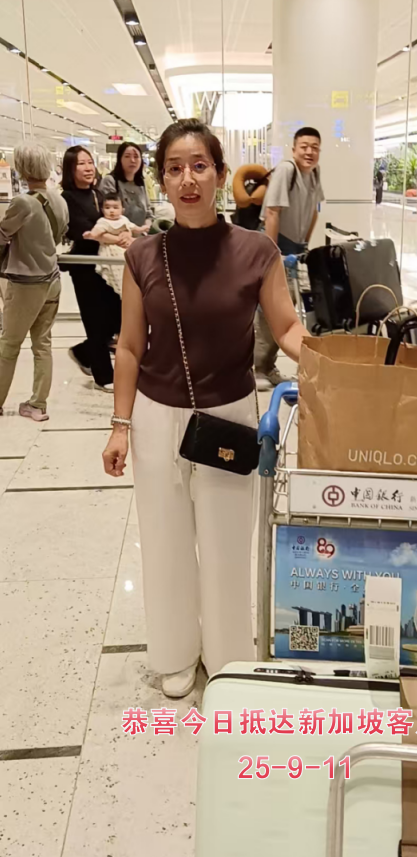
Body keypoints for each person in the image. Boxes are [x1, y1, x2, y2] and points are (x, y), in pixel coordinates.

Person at [102, 119, 307, 698]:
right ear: (161, 180)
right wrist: (120, 426)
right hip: (155, 415)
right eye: (174, 169)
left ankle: (227, 656)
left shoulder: (256, 250)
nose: (187, 179)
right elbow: (130, 347)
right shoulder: (143, 255)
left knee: (226, 543)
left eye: (199, 166)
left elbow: (286, 327)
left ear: (220, 174)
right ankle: (174, 653)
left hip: (230, 415)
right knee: (164, 539)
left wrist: (330, 361)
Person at [0, 141, 68, 421]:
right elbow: (61, 233)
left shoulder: (22, 202)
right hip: (52, 279)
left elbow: (3, 233)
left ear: (22, 168)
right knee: (43, 345)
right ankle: (38, 404)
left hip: (26, 283)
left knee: (9, 346)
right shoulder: (59, 200)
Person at [255, 126, 324, 388]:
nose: (309, 152)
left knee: (285, 309)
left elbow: (315, 209)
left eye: (314, 147)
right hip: (276, 245)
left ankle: (268, 365)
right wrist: (273, 254)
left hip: (295, 249)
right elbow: (272, 212)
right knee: (269, 309)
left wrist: (305, 244)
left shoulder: (314, 173)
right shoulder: (287, 170)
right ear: (294, 149)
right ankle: (258, 368)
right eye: (304, 146)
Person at [62, 146, 122, 392]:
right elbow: (82, 230)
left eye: (90, 162)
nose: (88, 168)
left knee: (117, 317)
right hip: (84, 265)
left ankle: (83, 352)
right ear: (70, 169)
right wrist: (117, 237)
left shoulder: (98, 194)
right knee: (95, 320)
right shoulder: (67, 198)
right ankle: (103, 376)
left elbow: (111, 221)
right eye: (81, 164)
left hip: (105, 264)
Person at [83, 192, 147, 297]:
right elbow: (98, 230)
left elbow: (133, 227)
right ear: (102, 210)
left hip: (125, 249)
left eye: (115, 207)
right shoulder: (103, 221)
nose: (111, 211)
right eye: (107, 208)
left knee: (130, 271)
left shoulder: (124, 219)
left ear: (122, 210)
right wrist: (92, 235)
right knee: (115, 272)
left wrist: (141, 229)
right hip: (110, 250)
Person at [100, 142, 153, 229]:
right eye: (127, 156)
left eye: (136, 156)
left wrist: (146, 227)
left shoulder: (140, 183)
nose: (132, 160)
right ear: (120, 159)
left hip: (141, 234)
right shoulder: (110, 181)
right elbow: (109, 214)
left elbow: (148, 212)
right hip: (118, 234)